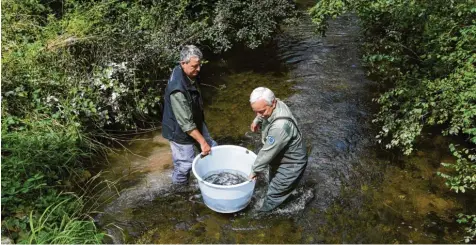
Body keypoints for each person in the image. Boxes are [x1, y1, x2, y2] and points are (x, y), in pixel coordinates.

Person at [162, 45, 217, 185]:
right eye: (194, 66)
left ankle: (211, 176)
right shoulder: (177, 90)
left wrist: (205, 142)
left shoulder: (188, 72)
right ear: (183, 63)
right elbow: (186, 124)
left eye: (199, 65)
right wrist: (202, 142)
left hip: (194, 120)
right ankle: (179, 192)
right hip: (178, 130)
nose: (198, 69)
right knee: (185, 165)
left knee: (213, 149)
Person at [248, 87, 308, 212]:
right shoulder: (276, 103)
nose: (259, 115)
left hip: (291, 164)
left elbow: (267, 152)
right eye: (256, 112)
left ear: (273, 103)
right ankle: (285, 193)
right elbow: (262, 111)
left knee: (273, 196)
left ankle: (263, 215)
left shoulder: (280, 126)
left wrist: (254, 171)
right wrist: (257, 120)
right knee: (273, 186)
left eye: (261, 112)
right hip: (281, 156)